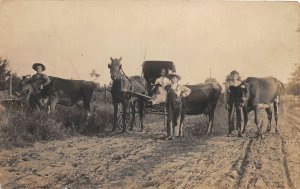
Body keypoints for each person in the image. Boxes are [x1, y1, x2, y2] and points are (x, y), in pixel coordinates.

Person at [165, 72, 191, 140]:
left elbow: (189, 90)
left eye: (174, 78)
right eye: (172, 78)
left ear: (177, 80)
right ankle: (169, 135)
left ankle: (175, 135)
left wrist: (183, 95)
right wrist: (166, 103)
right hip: (170, 104)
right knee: (170, 119)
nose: (173, 80)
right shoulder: (168, 87)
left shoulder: (180, 86)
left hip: (178, 104)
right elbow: (166, 96)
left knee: (177, 119)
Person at [226, 70, 247, 137]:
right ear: (230, 76)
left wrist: (243, 101)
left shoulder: (240, 83)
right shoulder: (228, 84)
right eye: (232, 75)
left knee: (240, 116)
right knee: (230, 117)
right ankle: (230, 132)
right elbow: (226, 95)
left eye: (235, 76)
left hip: (239, 101)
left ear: (237, 76)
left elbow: (243, 93)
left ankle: (240, 132)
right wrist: (226, 103)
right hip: (231, 101)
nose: (234, 77)